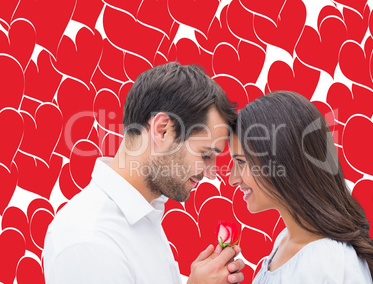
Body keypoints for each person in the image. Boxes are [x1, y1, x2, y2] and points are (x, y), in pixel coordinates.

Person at [43, 62, 245, 283]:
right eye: (205, 154)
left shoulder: (143, 216)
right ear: (162, 130)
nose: (211, 173)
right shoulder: (89, 239)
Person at [228, 91, 373, 284]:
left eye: (241, 162)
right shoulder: (286, 240)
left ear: (285, 161)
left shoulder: (325, 260)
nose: (232, 179)